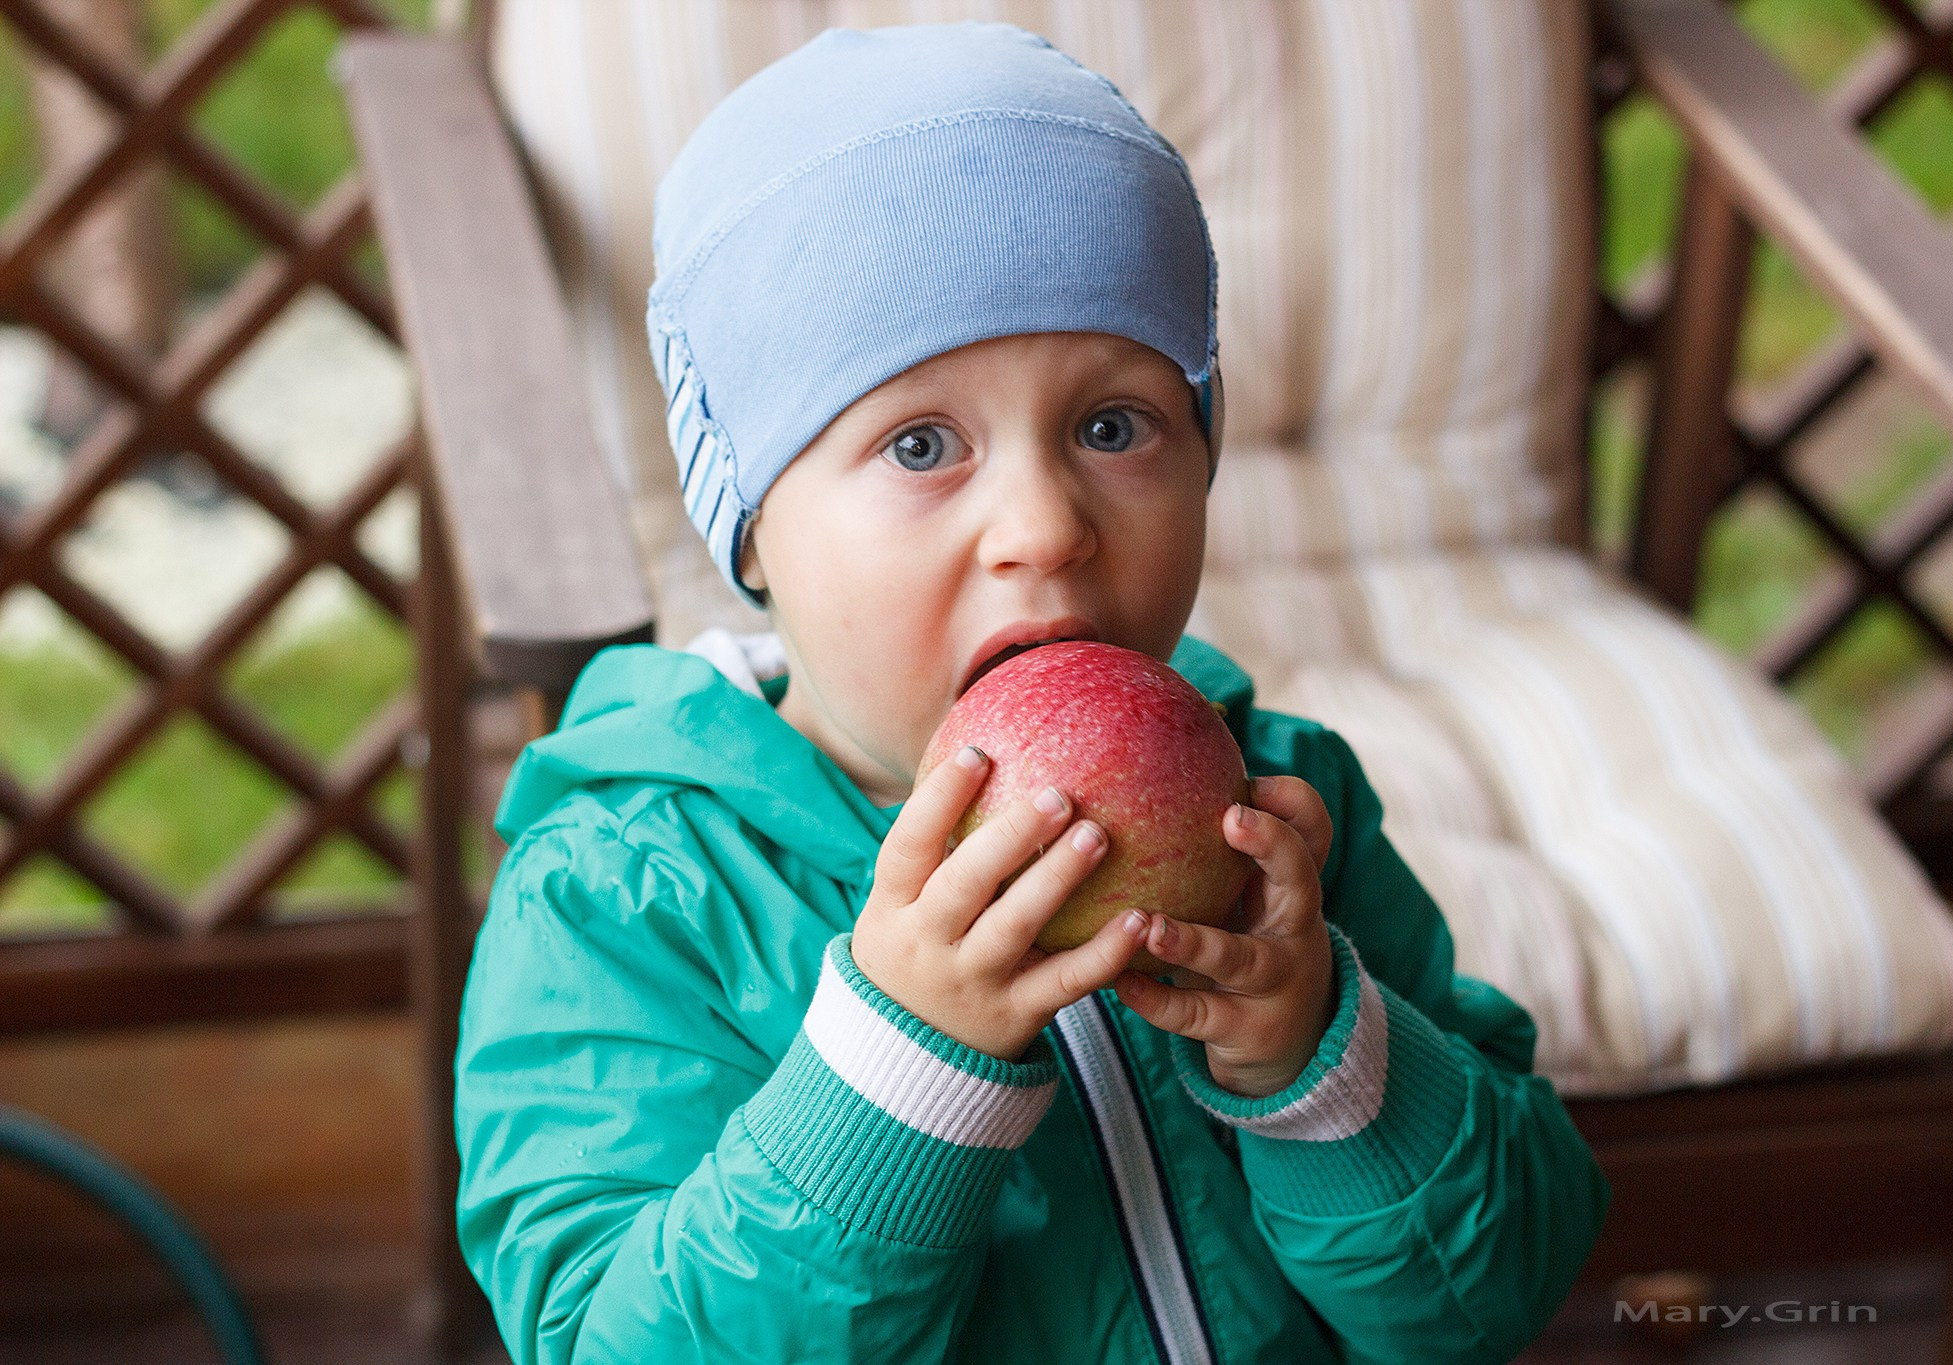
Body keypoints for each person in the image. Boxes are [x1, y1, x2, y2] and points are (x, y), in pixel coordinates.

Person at [454, 21, 1610, 1365]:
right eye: (923, 444)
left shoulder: (1282, 818)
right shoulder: (627, 899)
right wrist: (894, 1080)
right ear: (754, 531)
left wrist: (1326, 1062)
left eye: (1114, 425)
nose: (1044, 525)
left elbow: (1500, 1290)